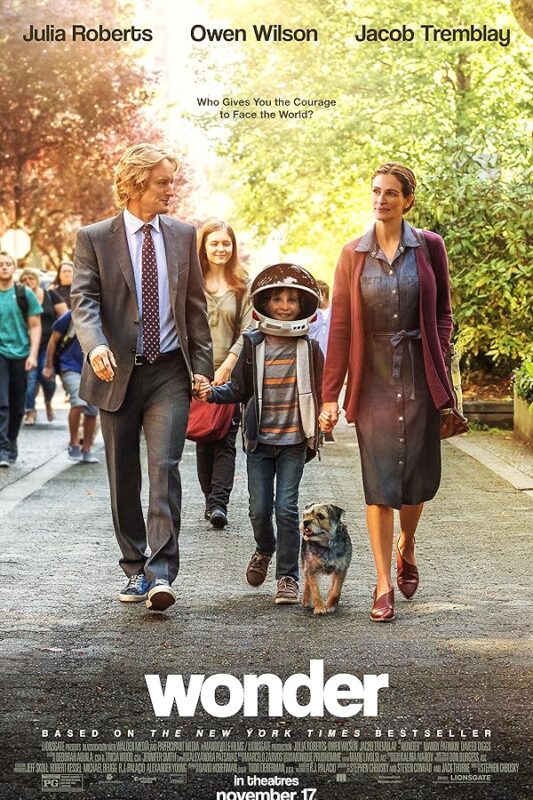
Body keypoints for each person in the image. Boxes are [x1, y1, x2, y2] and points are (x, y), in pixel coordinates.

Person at [71, 142, 213, 612]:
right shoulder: (94, 237)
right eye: (163, 182)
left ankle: (161, 572)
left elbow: (195, 308)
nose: (171, 190)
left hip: (169, 371)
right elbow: (84, 301)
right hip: (116, 373)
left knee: (164, 469)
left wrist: (203, 369)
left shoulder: (182, 234)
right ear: (135, 185)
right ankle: (133, 565)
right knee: (123, 475)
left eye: (172, 181)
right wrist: (95, 347)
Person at [321, 162, 454, 623]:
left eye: (392, 193)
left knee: (415, 480)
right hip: (373, 379)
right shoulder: (351, 254)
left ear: (407, 200)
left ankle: (408, 543)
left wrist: (442, 363)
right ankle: (382, 584)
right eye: (376, 191)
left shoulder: (430, 247)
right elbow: (338, 328)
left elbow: (442, 314)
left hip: (419, 374)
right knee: (379, 484)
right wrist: (329, 396)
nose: (382, 199)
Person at [198, 264, 323, 605]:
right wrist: (212, 393)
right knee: (258, 509)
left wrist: (324, 420)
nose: (284, 306)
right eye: (278, 299)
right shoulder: (253, 344)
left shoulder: (310, 349)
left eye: (292, 300)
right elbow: (238, 389)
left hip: (294, 443)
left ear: (304, 307)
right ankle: (264, 548)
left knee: (286, 508)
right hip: (259, 442)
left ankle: (287, 576)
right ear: (264, 304)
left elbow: (322, 391)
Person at [196, 220, 253, 528]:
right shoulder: (191, 281)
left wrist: (229, 365)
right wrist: (197, 372)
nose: (221, 248)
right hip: (196, 373)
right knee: (204, 438)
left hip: (230, 373)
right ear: (204, 246)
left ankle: (219, 504)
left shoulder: (242, 283)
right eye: (214, 243)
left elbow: (248, 329)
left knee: (226, 438)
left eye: (226, 243)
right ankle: (210, 499)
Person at [0, 252, 42, 467]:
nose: (4, 267)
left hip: (21, 354)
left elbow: (35, 326)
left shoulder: (24, 293)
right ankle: (3, 449)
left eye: (8, 264)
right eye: (1, 265)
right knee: (2, 402)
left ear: (14, 268)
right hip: (0, 355)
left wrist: (33, 354)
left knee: (17, 406)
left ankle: (12, 440)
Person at [43, 310, 99, 463]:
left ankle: (86, 448)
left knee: (92, 408)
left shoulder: (102, 314)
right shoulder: (71, 316)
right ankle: (73, 443)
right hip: (69, 366)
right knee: (79, 402)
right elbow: (53, 340)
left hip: (93, 368)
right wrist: (48, 366)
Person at [19, 267, 68, 425]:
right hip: (29, 345)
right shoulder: (21, 298)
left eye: (31, 279)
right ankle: (30, 411)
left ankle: (47, 402)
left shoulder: (50, 294)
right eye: (24, 280)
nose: (28, 282)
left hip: (48, 345)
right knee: (31, 378)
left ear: (37, 280)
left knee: (47, 378)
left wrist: (61, 338)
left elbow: (66, 316)